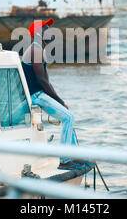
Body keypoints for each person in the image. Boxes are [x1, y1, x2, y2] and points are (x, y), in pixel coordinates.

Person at [21, 19, 94, 170]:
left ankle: (74, 155)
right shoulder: (35, 50)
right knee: (68, 117)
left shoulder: (39, 49)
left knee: (67, 115)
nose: (49, 30)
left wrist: (59, 100)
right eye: (45, 28)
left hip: (40, 93)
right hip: (35, 95)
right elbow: (42, 80)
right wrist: (59, 100)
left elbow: (45, 80)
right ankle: (65, 160)